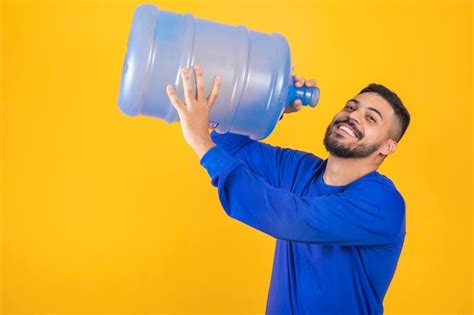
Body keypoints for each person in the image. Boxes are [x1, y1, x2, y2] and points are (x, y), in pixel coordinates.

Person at [166, 64, 410, 315]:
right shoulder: (299, 169)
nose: (353, 116)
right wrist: (271, 108)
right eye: (351, 107)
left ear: (387, 147)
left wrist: (200, 141)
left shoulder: (383, 203)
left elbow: (290, 218)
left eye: (371, 118)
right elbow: (231, 147)